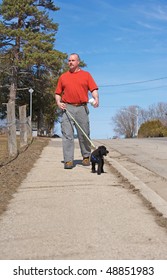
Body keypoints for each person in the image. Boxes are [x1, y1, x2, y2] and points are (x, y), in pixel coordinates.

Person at [55, 53, 99, 169]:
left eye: (73, 60)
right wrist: (59, 103)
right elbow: (58, 93)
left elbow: (93, 89)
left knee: (84, 134)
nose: (70, 62)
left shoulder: (86, 75)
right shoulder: (63, 77)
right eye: (69, 60)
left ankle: (86, 156)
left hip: (81, 108)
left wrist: (96, 98)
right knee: (67, 135)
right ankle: (68, 160)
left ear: (78, 62)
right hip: (67, 108)